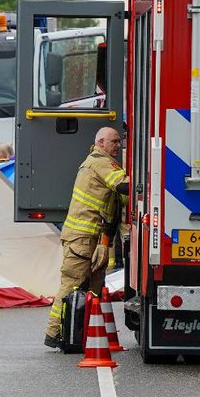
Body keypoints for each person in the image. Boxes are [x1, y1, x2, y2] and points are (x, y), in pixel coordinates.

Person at [45, 126, 128, 348]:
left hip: (91, 238)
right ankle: (54, 333)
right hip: (81, 238)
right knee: (72, 285)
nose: (118, 145)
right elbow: (122, 185)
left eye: (119, 141)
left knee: (93, 288)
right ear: (101, 143)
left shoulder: (101, 162)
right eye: (114, 141)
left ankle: (80, 333)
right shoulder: (100, 162)